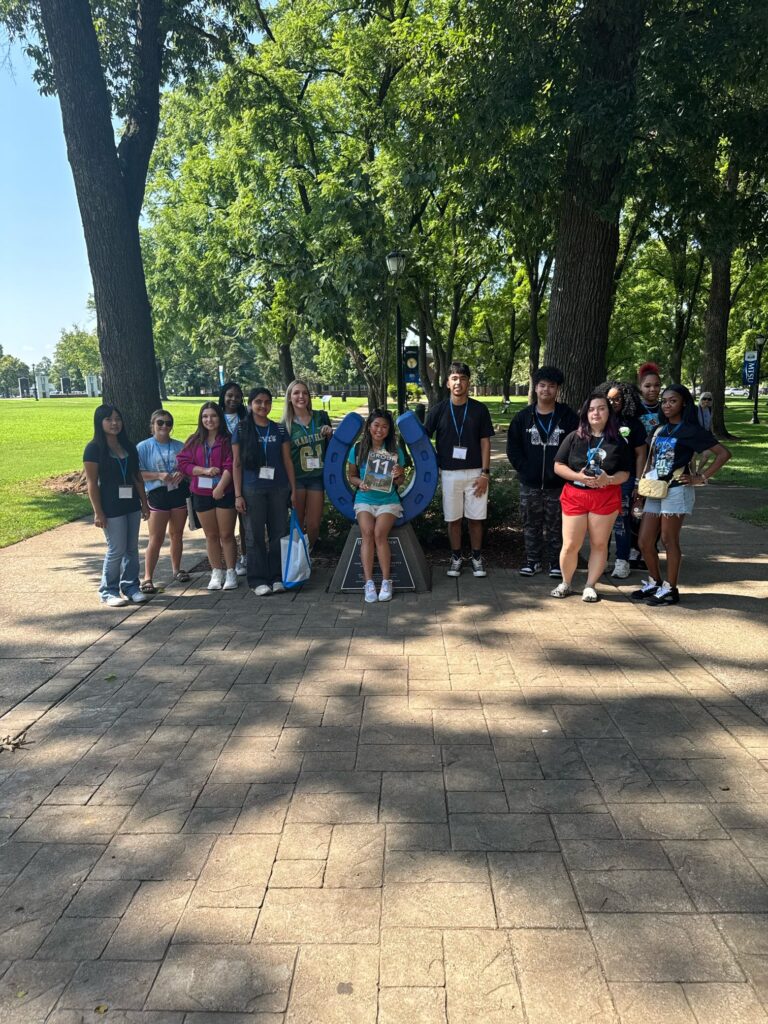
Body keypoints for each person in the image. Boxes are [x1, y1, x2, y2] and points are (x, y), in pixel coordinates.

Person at [633, 384, 731, 606]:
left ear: (684, 403)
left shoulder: (691, 430)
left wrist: (701, 477)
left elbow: (723, 454)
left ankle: (670, 589)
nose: (667, 405)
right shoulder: (659, 430)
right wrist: (641, 486)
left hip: (677, 490)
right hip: (655, 489)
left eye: (673, 401)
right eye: (664, 401)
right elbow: (650, 460)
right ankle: (655, 582)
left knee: (669, 540)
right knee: (644, 541)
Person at [551, 393, 633, 602]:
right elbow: (558, 465)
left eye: (601, 408)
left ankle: (590, 585)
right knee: (570, 544)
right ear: (585, 413)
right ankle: (565, 582)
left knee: (599, 544)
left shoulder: (618, 441)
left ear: (609, 412)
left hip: (605, 496)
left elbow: (625, 473)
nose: (596, 413)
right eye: (591, 409)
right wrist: (578, 476)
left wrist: (609, 479)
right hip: (575, 494)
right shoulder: (574, 437)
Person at [507, 366, 578, 578]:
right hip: (530, 484)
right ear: (536, 388)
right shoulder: (523, 417)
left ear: (558, 389)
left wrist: (566, 471)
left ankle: (556, 563)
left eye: (551, 386)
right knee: (531, 524)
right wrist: (526, 469)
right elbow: (513, 448)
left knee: (557, 525)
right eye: (542, 385)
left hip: (558, 484)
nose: (546, 390)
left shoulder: (567, 417)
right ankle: (533, 561)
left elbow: (577, 446)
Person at [425, 361, 494, 577]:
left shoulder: (479, 409)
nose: (458, 383)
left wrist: (485, 474)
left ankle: (476, 558)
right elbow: (423, 440)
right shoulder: (438, 410)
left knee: (476, 518)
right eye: (454, 378)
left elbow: (485, 442)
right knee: (453, 519)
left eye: (463, 379)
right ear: (447, 383)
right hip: (449, 472)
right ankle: (456, 558)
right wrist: (433, 464)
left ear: (468, 383)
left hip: (475, 472)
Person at [83, 404, 151, 607]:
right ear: (100, 422)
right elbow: (91, 483)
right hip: (110, 506)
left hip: (131, 504)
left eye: (118, 419)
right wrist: (98, 512)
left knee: (132, 549)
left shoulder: (128, 446)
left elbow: (136, 476)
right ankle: (108, 591)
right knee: (116, 549)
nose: (114, 423)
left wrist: (144, 503)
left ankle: (131, 587)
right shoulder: (94, 449)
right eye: (109, 419)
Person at [232, 387, 297, 597]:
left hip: (278, 488)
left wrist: (293, 490)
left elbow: (287, 461)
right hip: (252, 489)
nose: (263, 406)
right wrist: (238, 494)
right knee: (254, 535)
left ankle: (277, 576)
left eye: (267, 402)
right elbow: (236, 463)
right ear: (250, 404)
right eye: (258, 402)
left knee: (279, 533)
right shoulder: (241, 429)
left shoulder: (279, 430)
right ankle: (258, 579)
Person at [177, 402, 238, 592]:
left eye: (213, 416)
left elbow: (231, 464)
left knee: (226, 535)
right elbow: (183, 463)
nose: (209, 420)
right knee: (211, 535)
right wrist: (203, 470)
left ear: (220, 418)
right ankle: (216, 572)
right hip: (201, 493)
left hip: (224, 492)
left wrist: (221, 486)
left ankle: (231, 571)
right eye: (205, 416)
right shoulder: (194, 440)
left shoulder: (228, 440)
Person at [347, 409, 406, 603]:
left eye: (384, 426)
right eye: (376, 425)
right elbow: (352, 476)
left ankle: (387, 582)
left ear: (389, 430)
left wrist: (399, 474)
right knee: (367, 532)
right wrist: (360, 483)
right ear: (369, 427)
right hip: (364, 499)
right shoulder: (358, 449)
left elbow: (400, 481)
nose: (379, 430)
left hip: (388, 501)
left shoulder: (395, 451)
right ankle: (369, 583)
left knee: (380, 533)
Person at [597, 381, 648, 579]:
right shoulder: (600, 420)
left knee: (621, 521)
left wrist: (638, 482)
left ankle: (622, 561)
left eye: (617, 399)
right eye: (609, 399)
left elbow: (641, 454)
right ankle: (601, 560)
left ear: (626, 399)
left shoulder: (633, 424)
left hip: (625, 479)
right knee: (601, 521)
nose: (613, 403)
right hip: (601, 479)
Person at [136, 409, 190, 592]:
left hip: (177, 493)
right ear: (152, 425)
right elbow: (137, 474)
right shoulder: (143, 447)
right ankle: (147, 578)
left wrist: (182, 473)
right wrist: (158, 475)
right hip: (157, 494)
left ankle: (177, 570)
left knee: (177, 534)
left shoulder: (179, 446)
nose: (164, 426)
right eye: (160, 422)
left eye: (168, 423)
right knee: (156, 537)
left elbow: (187, 467)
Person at [283, 379, 333, 548]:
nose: (301, 396)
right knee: (297, 522)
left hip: (316, 477)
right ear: (289, 397)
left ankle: (308, 551)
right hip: (297, 478)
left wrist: (329, 434)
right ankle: (297, 557)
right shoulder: (285, 425)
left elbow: (332, 449)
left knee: (313, 524)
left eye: (305, 393)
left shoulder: (320, 417)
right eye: (296, 393)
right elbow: (285, 458)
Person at [219, 381, 248, 577]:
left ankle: (246, 555)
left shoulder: (246, 417)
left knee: (245, 520)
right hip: (222, 473)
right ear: (223, 396)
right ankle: (232, 560)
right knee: (226, 524)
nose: (233, 399)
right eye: (230, 395)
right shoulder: (215, 416)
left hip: (243, 471)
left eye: (237, 396)